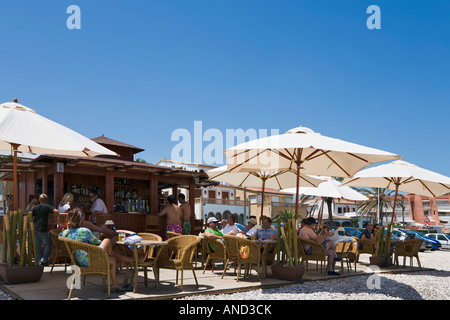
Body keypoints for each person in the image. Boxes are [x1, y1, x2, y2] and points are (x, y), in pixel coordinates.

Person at [59, 209, 136, 293]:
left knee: (112, 259)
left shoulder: (64, 233)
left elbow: (59, 237)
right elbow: (98, 243)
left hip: (77, 261)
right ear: (80, 220)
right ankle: (133, 260)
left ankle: (115, 284)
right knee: (106, 241)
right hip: (89, 260)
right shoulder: (84, 231)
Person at [32, 194, 58, 266]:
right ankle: (44, 259)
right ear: (46, 200)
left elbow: (30, 215)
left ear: (39, 200)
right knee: (48, 243)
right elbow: (56, 211)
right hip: (43, 228)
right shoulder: (47, 206)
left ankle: (39, 261)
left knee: (37, 246)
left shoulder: (35, 207)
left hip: (35, 228)